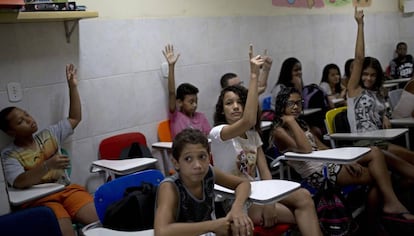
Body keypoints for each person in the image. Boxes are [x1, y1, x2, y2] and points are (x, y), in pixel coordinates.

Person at [209, 50, 322, 236]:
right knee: (297, 215)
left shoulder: (252, 135)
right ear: (221, 110)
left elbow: (265, 171)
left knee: (304, 197)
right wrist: (254, 75)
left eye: (240, 102)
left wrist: (270, 202)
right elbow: (248, 120)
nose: (235, 106)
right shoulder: (218, 133)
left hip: (260, 192)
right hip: (238, 199)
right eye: (229, 103)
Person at [271, 86, 414, 223]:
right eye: (291, 103)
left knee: (376, 152)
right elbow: (306, 150)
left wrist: (344, 161)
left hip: (329, 162)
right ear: (281, 105)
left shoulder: (301, 124)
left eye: (298, 103)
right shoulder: (279, 131)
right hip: (318, 174)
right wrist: (290, 121)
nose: (296, 107)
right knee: (381, 177)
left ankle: (390, 203)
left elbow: (322, 147)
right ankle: (375, 220)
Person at [0, 64, 98, 236]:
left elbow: (75, 118)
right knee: (65, 232)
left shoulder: (49, 135)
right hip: (40, 201)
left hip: (65, 190)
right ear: (11, 132)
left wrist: (72, 87)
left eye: (27, 115)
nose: (29, 120)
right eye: (21, 121)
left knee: (101, 219)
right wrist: (47, 165)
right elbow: (19, 181)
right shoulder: (10, 154)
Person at [346, 7, 414, 170]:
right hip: (365, 146)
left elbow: (383, 112)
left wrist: (384, 116)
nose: (368, 78)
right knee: (410, 170)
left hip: (381, 142)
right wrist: (360, 24)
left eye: (373, 75)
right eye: (365, 74)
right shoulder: (354, 90)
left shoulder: (376, 93)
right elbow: (359, 58)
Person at [154, 128, 254, 236]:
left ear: (209, 157)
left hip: (207, 232)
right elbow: (161, 231)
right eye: (188, 159)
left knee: (242, 227)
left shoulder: (209, 172)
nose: (197, 165)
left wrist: (237, 209)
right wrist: (213, 225)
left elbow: (243, 183)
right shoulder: (169, 187)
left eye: (202, 157)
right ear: (176, 163)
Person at [162, 44, 211, 138]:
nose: (195, 105)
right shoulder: (176, 117)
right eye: (191, 102)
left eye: (196, 101)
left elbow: (209, 139)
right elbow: (172, 93)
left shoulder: (201, 117)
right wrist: (171, 66)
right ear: (180, 102)